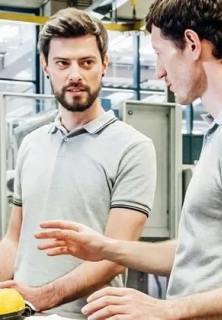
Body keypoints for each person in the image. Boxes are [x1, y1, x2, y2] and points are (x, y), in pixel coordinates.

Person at [36, 0, 222, 319]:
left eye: (159, 53)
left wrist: (167, 310)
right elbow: (201, 254)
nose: (159, 71)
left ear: (192, 44)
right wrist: (106, 247)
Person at [0, 8, 156, 319]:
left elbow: (114, 256)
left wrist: (42, 298)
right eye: (62, 63)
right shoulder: (31, 144)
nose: (75, 75)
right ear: (45, 66)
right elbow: (14, 238)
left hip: (89, 315)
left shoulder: (134, 148)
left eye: (86, 62)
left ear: (104, 65)